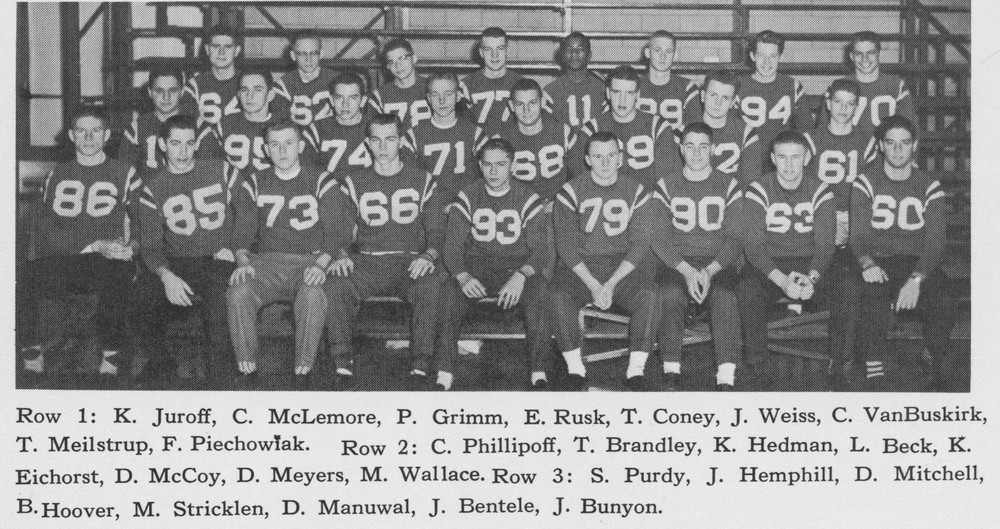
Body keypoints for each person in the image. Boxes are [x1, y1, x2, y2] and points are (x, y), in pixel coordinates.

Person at [325, 113, 445, 391]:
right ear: (367, 143)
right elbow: (340, 230)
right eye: (376, 140)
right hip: (367, 261)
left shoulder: (422, 179)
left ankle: (421, 363)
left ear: (400, 141)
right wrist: (341, 254)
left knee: (430, 283)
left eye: (389, 139)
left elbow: (437, 230)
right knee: (336, 282)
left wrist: (428, 256)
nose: (382, 146)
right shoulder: (354, 181)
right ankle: (342, 360)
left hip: (408, 260)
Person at [20, 107, 139, 383]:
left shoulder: (124, 172)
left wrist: (131, 247)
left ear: (106, 135)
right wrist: (92, 243)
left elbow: (143, 221)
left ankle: (111, 361)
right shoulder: (57, 174)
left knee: (117, 276)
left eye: (95, 131)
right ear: (72, 136)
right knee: (23, 276)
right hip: (68, 254)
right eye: (81, 131)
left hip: (107, 257)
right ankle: (31, 358)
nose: (88, 138)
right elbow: (44, 226)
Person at [227, 120, 340, 390]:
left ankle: (304, 367)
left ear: (300, 146)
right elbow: (242, 233)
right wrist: (242, 261)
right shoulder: (254, 182)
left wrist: (322, 263)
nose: (282, 151)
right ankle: (247, 366)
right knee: (238, 291)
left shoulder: (321, 179)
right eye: (275, 145)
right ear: (266, 149)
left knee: (312, 294)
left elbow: (336, 230)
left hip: (309, 260)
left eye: (289, 143)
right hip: (266, 261)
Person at [131, 115, 240, 388]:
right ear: (162, 145)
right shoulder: (152, 188)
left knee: (219, 301)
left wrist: (236, 247)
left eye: (189, 143)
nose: (183, 151)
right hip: (177, 262)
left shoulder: (222, 170)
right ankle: (161, 363)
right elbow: (151, 246)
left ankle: (219, 378)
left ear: (197, 144)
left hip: (218, 257)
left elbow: (248, 212)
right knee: (142, 295)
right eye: (175, 143)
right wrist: (166, 275)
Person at [549, 131, 659, 391]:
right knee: (557, 294)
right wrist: (593, 284)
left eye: (611, 155)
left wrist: (610, 283)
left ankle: (636, 369)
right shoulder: (570, 191)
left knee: (650, 295)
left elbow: (640, 244)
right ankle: (575, 368)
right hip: (582, 266)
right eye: (598, 157)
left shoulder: (636, 190)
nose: (606, 162)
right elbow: (565, 246)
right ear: (587, 160)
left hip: (621, 267)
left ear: (620, 158)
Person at [850, 115, 953, 391]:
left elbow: (936, 242)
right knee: (870, 294)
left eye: (904, 143)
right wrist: (867, 263)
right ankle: (873, 366)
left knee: (944, 300)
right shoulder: (865, 182)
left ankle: (931, 356)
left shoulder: (929, 185)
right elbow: (857, 235)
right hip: (878, 259)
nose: (897, 150)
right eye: (891, 143)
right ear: (881, 146)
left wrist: (916, 278)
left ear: (914, 146)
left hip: (915, 261)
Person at [440, 138, 549, 390]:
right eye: (487, 164)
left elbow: (541, 251)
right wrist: (463, 276)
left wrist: (521, 275)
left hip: (514, 269)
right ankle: (444, 370)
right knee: (448, 293)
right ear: (480, 166)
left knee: (540, 290)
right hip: (477, 268)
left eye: (500, 164)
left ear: (513, 165)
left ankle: (539, 369)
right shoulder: (468, 195)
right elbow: (452, 247)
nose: (493, 171)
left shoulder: (528, 197)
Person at [649, 122, 744, 391]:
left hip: (718, 261)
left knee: (724, 296)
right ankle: (671, 368)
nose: (697, 153)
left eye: (703, 146)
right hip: (678, 262)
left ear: (713, 149)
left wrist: (710, 270)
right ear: (681, 149)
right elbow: (658, 238)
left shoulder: (729, 184)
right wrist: (687, 271)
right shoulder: (666, 184)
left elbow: (736, 238)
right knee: (669, 294)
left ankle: (726, 374)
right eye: (690, 146)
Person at [739, 130, 835, 389]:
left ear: (806, 158)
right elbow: (753, 247)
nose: (789, 165)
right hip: (771, 263)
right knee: (747, 288)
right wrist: (781, 280)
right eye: (782, 157)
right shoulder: (759, 189)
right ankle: (757, 363)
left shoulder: (821, 190)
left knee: (847, 286)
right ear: (773, 158)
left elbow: (826, 244)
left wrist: (812, 276)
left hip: (809, 262)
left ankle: (839, 361)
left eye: (796, 157)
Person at [802, 78, 877, 389]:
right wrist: (828, 222)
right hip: (815, 222)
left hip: (855, 223)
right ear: (828, 102)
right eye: (838, 102)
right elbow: (797, 188)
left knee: (849, 284)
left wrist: (853, 224)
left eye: (850, 103)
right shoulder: (810, 140)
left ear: (857, 107)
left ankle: (841, 361)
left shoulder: (868, 141)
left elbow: (876, 189)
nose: (843, 109)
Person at [579, 65, 680, 189]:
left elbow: (665, 179)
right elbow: (582, 179)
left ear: (638, 95)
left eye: (629, 93)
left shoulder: (658, 127)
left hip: (648, 198)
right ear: (608, 93)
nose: (622, 100)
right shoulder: (591, 129)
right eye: (616, 92)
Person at [493, 78, 579, 203]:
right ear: (511, 106)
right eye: (520, 104)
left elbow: (580, 177)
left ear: (542, 102)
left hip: (558, 206)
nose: (526, 110)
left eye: (532, 103)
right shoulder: (500, 141)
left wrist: (561, 203)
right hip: (519, 208)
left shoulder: (563, 132)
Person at [818, 31, 917, 139]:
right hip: (851, 148)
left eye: (871, 53)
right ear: (851, 56)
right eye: (858, 53)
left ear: (880, 54)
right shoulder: (839, 87)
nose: (864, 58)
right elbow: (823, 130)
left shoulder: (895, 85)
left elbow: (911, 128)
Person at [738, 30, 812, 172]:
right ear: (752, 56)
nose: (767, 62)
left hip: (782, 162)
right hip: (747, 160)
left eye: (773, 56)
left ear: (780, 57)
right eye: (761, 55)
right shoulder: (739, 86)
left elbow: (806, 128)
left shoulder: (792, 86)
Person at [405, 71, 482, 206]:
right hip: (429, 208)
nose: (442, 100)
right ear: (428, 98)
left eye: (448, 94)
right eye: (435, 95)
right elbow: (409, 181)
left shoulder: (475, 133)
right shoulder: (413, 135)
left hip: (467, 206)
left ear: (458, 96)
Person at [460, 27, 549, 134]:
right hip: (477, 143)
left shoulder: (522, 85)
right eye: (488, 49)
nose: (494, 55)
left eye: (500, 48)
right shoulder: (466, 86)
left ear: (507, 50)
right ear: (481, 52)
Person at [201, 70, 280, 171]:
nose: (250, 96)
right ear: (238, 95)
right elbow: (207, 166)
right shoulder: (225, 125)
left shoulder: (283, 127)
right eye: (244, 90)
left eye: (257, 90)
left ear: (270, 95)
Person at [699, 70, 762, 186]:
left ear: (733, 102)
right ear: (703, 96)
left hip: (734, 196)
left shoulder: (746, 133)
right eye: (713, 95)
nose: (718, 103)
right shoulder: (683, 131)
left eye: (725, 98)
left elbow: (751, 184)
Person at [306, 72, 377, 174]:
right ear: (331, 100)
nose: (345, 104)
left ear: (363, 101)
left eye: (353, 97)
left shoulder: (376, 128)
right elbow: (307, 170)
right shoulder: (316, 129)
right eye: (339, 97)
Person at [118, 66, 183, 171]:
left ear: (182, 91)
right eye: (159, 91)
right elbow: (124, 172)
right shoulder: (136, 129)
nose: (166, 97)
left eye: (172, 90)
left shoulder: (197, 126)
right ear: (150, 92)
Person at [180, 25, 243, 128]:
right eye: (215, 46)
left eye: (227, 47)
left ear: (236, 50)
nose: (221, 52)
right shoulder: (194, 86)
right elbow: (187, 127)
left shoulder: (247, 83)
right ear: (207, 49)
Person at [272, 31, 338, 127]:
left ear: (321, 54)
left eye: (313, 53)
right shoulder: (283, 85)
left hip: (331, 135)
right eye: (302, 54)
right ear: (293, 56)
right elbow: (280, 124)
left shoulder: (337, 80)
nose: (308, 59)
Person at [545, 32, 606, 133]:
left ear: (589, 55)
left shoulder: (602, 90)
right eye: (569, 49)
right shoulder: (550, 91)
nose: (574, 53)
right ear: (562, 55)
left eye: (580, 49)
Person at [638, 30, 700, 130]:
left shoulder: (687, 87)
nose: (663, 56)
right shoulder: (634, 85)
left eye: (668, 51)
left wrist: (668, 138)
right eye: (657, 50)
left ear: (675, 55)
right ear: (647, 53)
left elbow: (694, 126)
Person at [371, 38, 432, 129]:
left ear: (414, 58)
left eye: (402, 58)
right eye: (392, 62)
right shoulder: (380, 95)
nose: (398, 65)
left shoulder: (432, 87)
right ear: (388, 66)